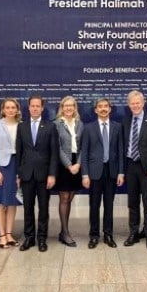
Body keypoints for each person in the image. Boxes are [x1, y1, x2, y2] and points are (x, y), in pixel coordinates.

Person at [17, 95, 59, 252]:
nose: (35, 108)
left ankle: (42, 238)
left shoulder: (50, 127)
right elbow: (19, 152)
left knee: (43, 208)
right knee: (27, 208)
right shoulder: (22, 127)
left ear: (42, 108)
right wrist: (18, 174)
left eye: (38, 106)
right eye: (32, 106)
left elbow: (54, 153)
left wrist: (52, 174)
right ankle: (29, 238)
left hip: (44, 175)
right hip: (27, 175)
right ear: (28, 108)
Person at [81, 97, 124, 249]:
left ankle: (108, 235)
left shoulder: (117, 127)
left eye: (106, 106)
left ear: (110, 109)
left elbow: (120, 151)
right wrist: (85, 174)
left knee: (109, 205)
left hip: (111, 172)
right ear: (96, 110)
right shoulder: (88, 128)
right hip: (94, 173)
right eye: (100, 106)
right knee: (94, 205)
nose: (104, 109)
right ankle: (93, 236)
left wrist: (121, 172)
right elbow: (84, 153)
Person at [122, 90, 147, 250]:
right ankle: (133, 232)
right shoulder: (125, 121)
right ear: (129, 105)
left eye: (138, 103)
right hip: (131, 166)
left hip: (146, 168)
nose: (135, 105)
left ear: (143, 103)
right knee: (132, 202)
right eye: (132, 103)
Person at [0, 98, 22, 249]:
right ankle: (1, 235)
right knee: (1, 203)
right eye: (7, 107)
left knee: (13, 202)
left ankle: (9, 234)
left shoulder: (21, 125)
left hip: (17, 165)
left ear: (17, 109)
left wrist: (21, 173)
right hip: (2, 167)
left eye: (13, 107)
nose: (10, 110)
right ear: (3, 110)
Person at [54, 96, 83, 247]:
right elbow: (57, 147)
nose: (69, 108)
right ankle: (65, 233)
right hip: (63, 164)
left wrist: (78, 163)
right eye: (66, 106)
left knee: (70, 196)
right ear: (62, 107)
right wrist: (69, 165)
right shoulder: (57, 124)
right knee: (64, 197)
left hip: (77, 163)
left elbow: (84, 145)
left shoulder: (79, 123)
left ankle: (62, 231)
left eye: (71, 105)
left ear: (75, 107)